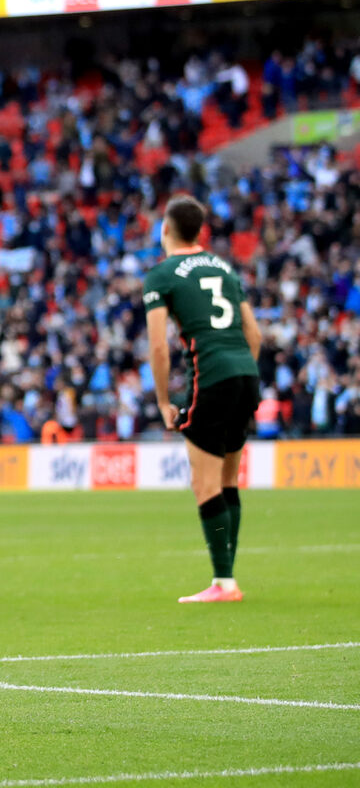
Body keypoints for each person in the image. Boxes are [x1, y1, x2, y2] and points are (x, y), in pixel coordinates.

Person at [144, 195, 262, 604]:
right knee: (229, 479)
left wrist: (162, 401)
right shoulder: (225, 267)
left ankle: (224, 583)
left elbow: (158, 347)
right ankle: (227, 577)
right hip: (246, 374)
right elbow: (255, 334)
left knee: (204, 483)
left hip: (211, 377)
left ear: (166, 229)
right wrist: (243, 371)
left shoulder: (162, 275)